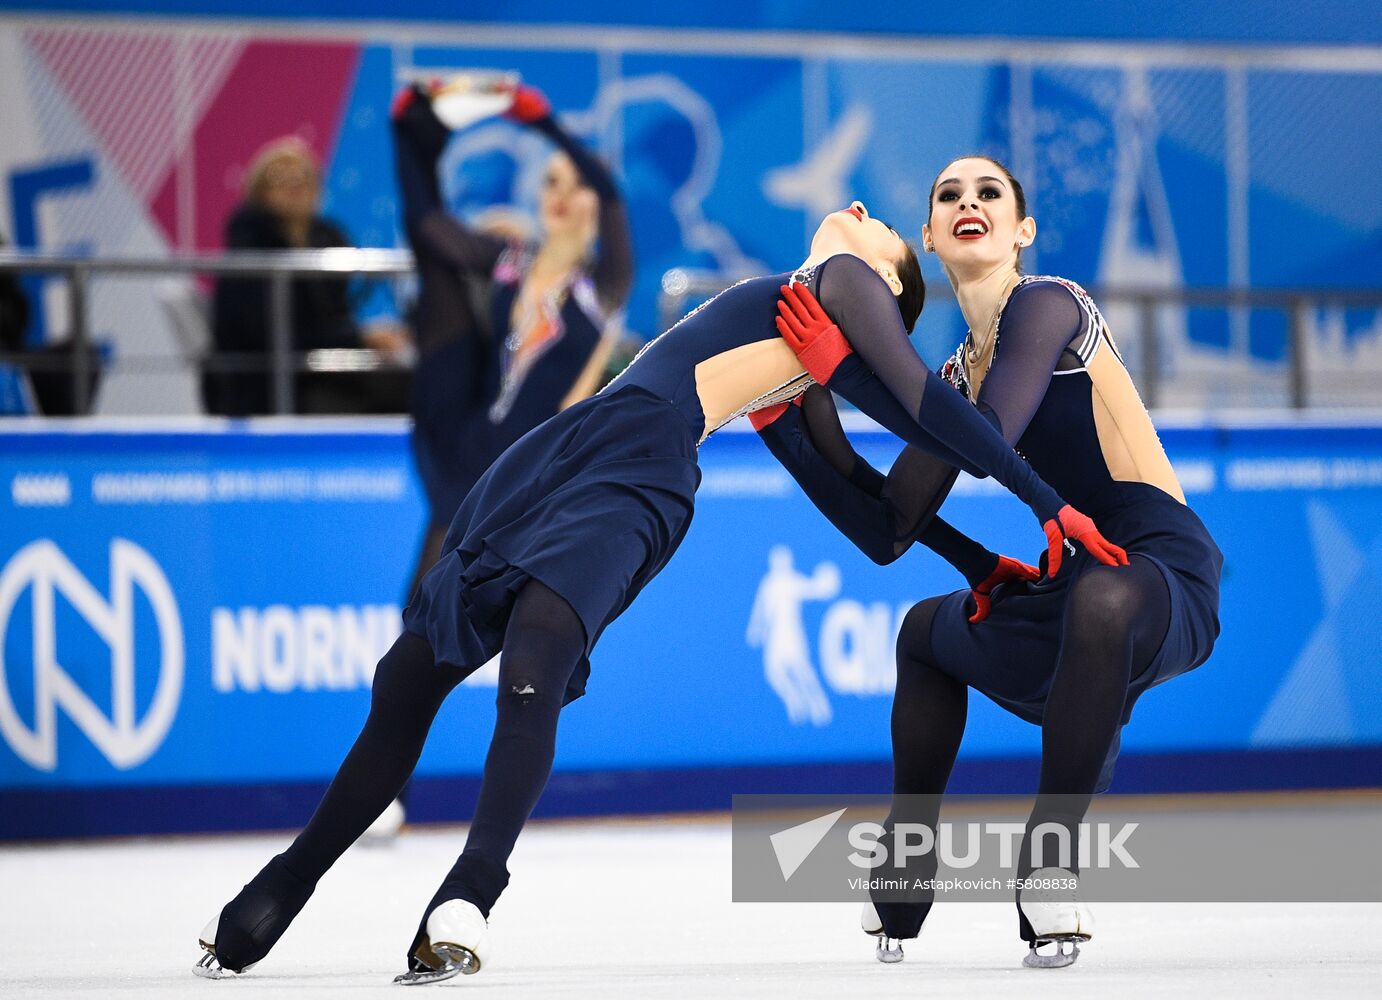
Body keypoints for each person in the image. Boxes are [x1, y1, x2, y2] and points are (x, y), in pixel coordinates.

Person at [193, 198, 1124, 985]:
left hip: (638, 462)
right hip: (572, 446)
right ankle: (285, 883)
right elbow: (879, 522)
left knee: (537, 654)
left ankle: (467, 896)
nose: (866, 215)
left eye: (879, 230)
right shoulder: (802, 334)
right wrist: (971, 559)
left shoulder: (838, 288)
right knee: (407, 675)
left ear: (885, 286)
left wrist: (1045, 505)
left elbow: (920, 404)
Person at [753, 157, 1222, 969]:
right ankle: (904, 874)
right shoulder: (956, 377)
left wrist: (848, 372)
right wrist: (794, 421)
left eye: (989, 194)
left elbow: (990, 436)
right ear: (930, 237)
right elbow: (888, 528)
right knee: (923, 631)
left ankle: (1047, 869)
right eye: (948, 197)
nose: (968, 203)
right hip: (1078, 580)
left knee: (1104, 600)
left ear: (1022, 230)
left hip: (1160, 570)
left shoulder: (1048, 304)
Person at [391, 78, 633, 611]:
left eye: (575, 186)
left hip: (524, 462)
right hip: (464, 435)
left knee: (446, 602)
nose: (561, 196)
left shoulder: (603, 286)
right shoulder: (511, 260)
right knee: (437, 261)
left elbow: (611, 191)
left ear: (595, 201)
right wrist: (404, 136)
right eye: (550, 183)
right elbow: (429, 226)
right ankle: (413, 133)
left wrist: (541, 123)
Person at [205, 137, 408, 416]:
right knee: (402, 387)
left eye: (303, 175)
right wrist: (360, 338)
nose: (294, 183)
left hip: (317, 369)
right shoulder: (249, 255)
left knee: (411, 377)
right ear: (258, 190)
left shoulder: (326, 239)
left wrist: (365, 336)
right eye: (280, 175)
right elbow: (279, 336)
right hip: (270, 383)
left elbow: (332, 320)